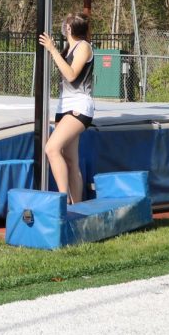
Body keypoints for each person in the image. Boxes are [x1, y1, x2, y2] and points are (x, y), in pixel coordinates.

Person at [38, 12, 94, 204]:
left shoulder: (83, 47)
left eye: (65, 24)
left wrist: (52, 50)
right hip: (64, 105)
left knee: (52, 149)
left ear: (69, 28)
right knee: (70, 159)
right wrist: (54, 51)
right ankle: (77, 206)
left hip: (79, 106)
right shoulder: (68, 47)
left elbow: (71, 75)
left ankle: (63, 201)